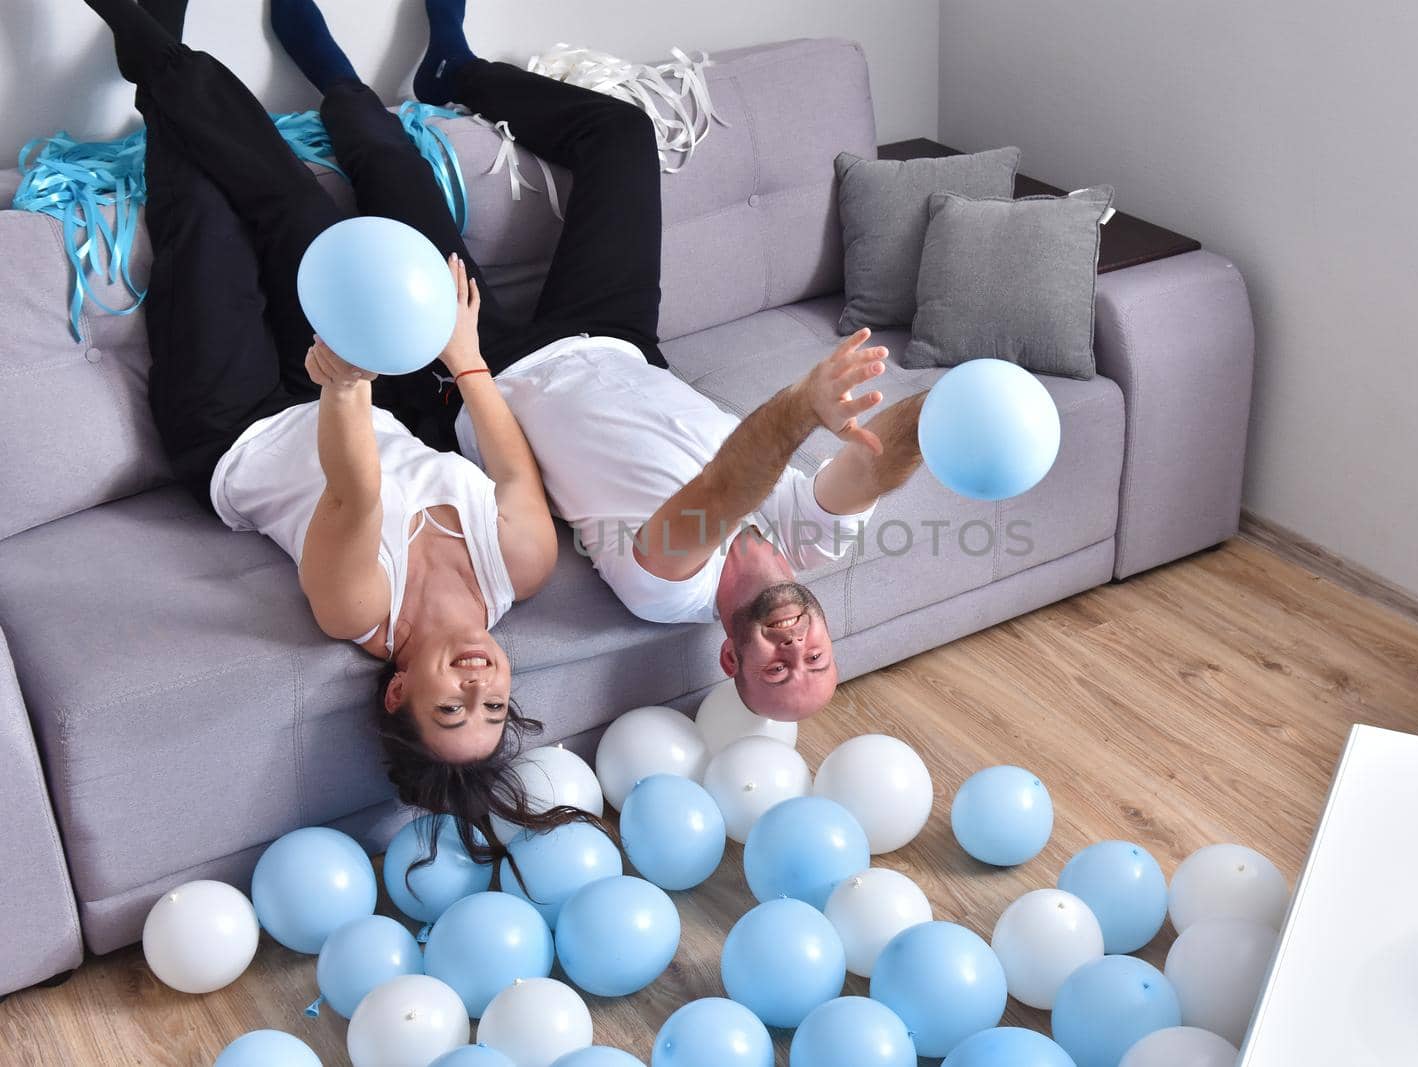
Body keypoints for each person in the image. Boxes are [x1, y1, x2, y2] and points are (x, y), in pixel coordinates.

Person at [80, 0, 581, 855]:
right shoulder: (522, 567)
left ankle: (141, 23)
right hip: (342, 394)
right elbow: (509, 463)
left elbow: (356, 487)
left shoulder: (356, 607)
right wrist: (464, 358)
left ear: (397, 692)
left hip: (235, 425)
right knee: (291, 200)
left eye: (450, 705)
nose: (476, 680)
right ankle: (148, 29)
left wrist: (349, 374)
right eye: (493, 702)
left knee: (199, 210)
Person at [396, 1, 931, 723]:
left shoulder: (670, 587)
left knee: (397, 183)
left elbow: (722, 489)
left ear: (729, 659)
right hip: (616, 338)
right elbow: (878, 462)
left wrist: (804, 407)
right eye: (816, 656)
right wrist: (961, 410)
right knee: (621, 134)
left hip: (495, 377)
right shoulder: (811, 542)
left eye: (776, 670)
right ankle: (455, 71)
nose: (793, 648)